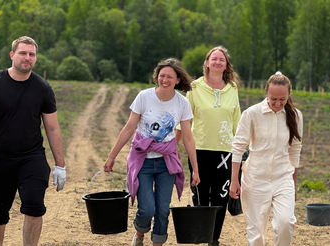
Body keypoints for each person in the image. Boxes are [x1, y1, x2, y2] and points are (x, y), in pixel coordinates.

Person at [0, 36, 66, 246]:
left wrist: (61, 165)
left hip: (31, 157)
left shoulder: (43, 88)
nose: (27, 58)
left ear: (36, 58)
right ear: (12, 55)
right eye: (23, 53)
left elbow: (52, 127)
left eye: (32, 54)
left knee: (34, 206)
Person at [103, 58, 200, 246]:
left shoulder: (182, 103)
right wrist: (112, 156)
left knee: (163, 210)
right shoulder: (144, 97)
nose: (165, 79)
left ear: (178, 79)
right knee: (147, 209)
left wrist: (195, 169)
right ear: (156, 77)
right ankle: (139, 234)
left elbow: (187, 138)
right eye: (161, 75)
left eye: (169, 77)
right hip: (142, 159)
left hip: (166, 162)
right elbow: (129, 128)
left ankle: (157, 243)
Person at [176, 45, 241, 246]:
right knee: (201, 195)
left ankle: (214, 239)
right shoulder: (194, 88)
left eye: (221, 59)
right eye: (214, 59)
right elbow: (184, 120)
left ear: (226, 65)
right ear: (207, 63)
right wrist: (173, 149)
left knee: (221, 197)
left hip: (225, 152)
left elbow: (237, 121)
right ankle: (202, 234)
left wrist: (242, 149)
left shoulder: (233, 88)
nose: (217, 62)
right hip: (199, 150)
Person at [229, 72, 303, 246]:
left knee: (286, 223)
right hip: (255, 179)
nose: (277, 103)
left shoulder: (296, 116)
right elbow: (238, 147)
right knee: (256, 233)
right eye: (273, 99)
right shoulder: (252, 114)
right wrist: (234, 180)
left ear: (289, 95)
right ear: (266, 93)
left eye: (282, 99)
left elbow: (295, 150)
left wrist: (293, 183)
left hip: (283, 177)